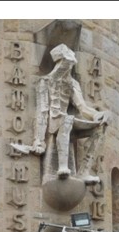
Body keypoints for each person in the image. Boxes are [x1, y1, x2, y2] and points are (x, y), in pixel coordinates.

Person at [14, 44, 110, 182]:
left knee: (100, 127)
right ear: (59, 63)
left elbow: (82, 107)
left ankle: (84, 171)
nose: (68, 67)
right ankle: (63, 167)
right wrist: (38, 140)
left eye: (70, 63)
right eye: (66, 63)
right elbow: (42, 111)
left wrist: (97, 115)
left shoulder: (73, 84)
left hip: (66, 120)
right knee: (67, 120)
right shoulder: (45, 82)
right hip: (54, 121)